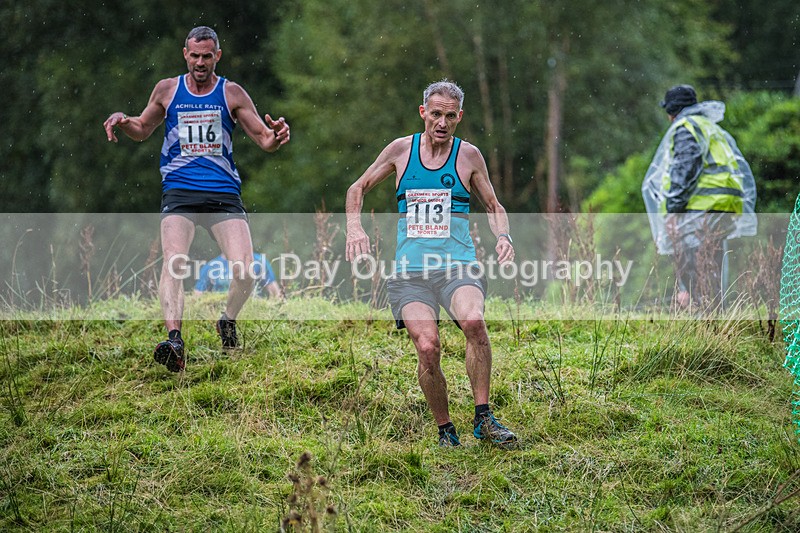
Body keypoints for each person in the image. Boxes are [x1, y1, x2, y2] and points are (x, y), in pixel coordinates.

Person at [103, 26, 290, 372]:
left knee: (246, 270)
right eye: (194, 56)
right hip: (180, 191)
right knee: (174, 262)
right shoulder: (168, 90)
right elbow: (143, 128)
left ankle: (227, 320)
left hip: (223, 194)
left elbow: (264, 139)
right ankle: (174, 340)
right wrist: (125, 121)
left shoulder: (231, 93)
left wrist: (277, 136)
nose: (200, 63)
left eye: (207, 56)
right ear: (185, 54)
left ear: (217, 56)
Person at [345, 79, 518, 449]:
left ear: (459, 118)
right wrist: (354, 228)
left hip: (458, 265)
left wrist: (503, 236)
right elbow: (357, 188)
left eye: (450, 116)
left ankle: (483, 418)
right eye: (436, 114)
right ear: (423, 112)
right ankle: (446, 431)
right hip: (411, 274)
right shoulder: (400, 151)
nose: (442, 122)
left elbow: (493, 205)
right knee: (427, 346)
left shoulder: (468, 156)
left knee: (474, 322)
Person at [642, 84, 756, 308]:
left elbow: (686, 169)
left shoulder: (686, 128)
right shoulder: (710, 127)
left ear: (671, 112)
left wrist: (673, 210)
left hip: (703, 205)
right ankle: (712, 313)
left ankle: (704, 311)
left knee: (693, 261)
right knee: (710, 262)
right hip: (726, 203)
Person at [194, 253, 284, 300]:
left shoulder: (258, 261)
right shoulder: (211, 267)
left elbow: (275, 293)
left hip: (252, 314)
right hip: (219, 315)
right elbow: (197, 298)